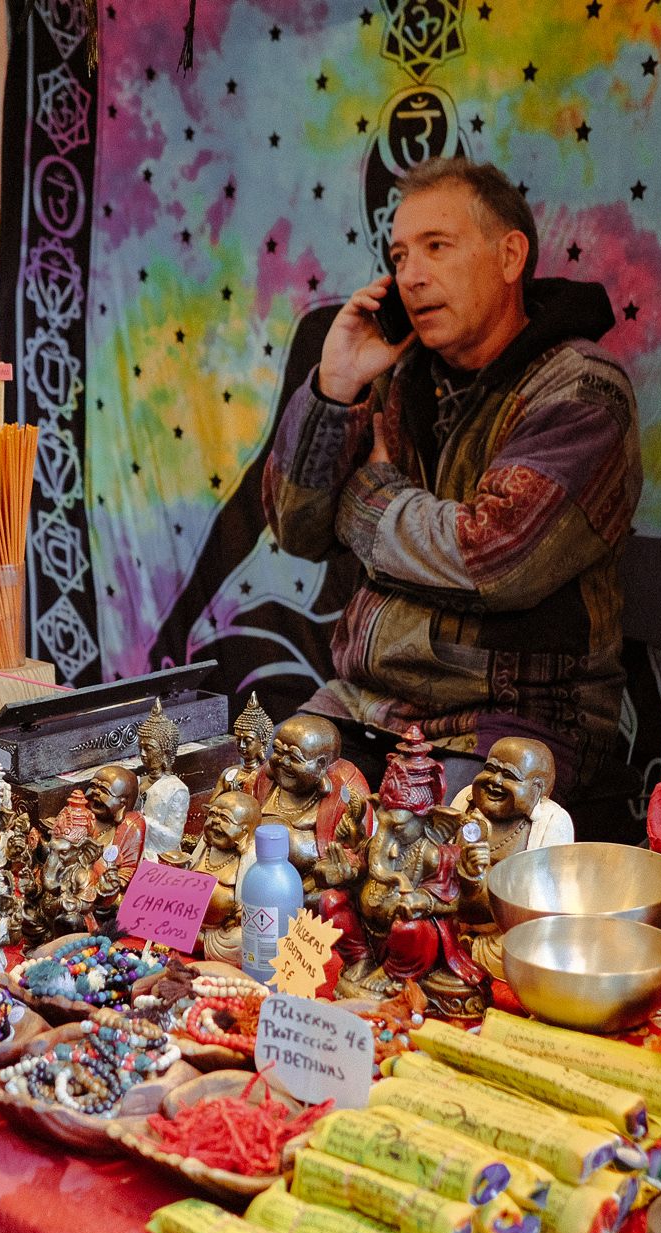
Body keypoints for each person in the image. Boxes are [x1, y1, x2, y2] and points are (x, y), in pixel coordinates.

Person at [263, 157, 640, 805]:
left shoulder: (581, 388)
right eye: (401, 254)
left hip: (511, 721)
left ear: (510, 255)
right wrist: (335, 389)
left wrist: (368, 494)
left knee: (418, 872)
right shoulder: (398, 378)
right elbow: (295, 528)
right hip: (366, 704)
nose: (411, 275)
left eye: (437, 247)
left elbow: (489, 558)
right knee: (260, 824)